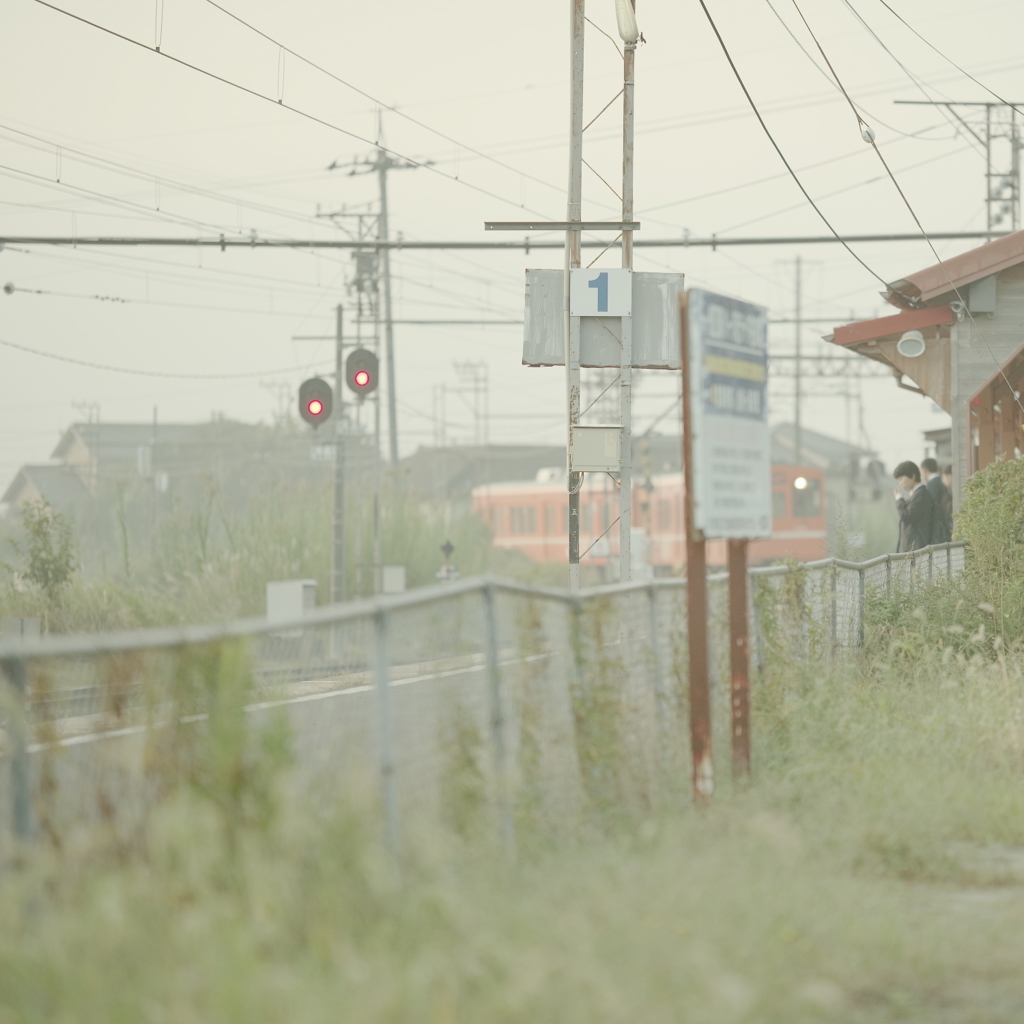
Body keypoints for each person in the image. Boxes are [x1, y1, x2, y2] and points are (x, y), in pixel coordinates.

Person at [893, 460, 938, 552]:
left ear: (913, 476)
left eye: (901, 479)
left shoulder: (921, 495)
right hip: (914, 551)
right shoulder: (916, 494)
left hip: (916, 551)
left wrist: (899, 499)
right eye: (898, 481)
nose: (900, 483)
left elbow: (907, 516)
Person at [920, 457, 952, 543]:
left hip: (940, 527)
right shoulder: (941, 481)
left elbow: (934, 505)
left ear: (924, 470)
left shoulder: (931, 484)